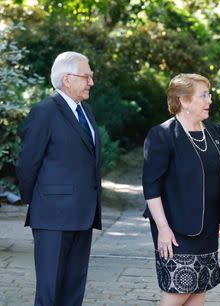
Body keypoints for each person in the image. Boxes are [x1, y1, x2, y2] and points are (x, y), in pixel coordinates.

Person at [142, 73, 220, 306]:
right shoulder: (162, 135)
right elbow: (151, 187)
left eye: (209, 94)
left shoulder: (213, 133)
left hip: (207, 229)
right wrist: (163, 229)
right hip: (175, 230)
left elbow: (217, 177)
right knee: (177, 293)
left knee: (199, 291)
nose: (209, 100)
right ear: (184, 101)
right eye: (203, 95)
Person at [16, 51, 101, 305]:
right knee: (50, 292)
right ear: (67, 79)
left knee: (73, 291)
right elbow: (27, 163)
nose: (91, 82)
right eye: (86, 76)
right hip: (52, 216)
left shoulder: (86, 111)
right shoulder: (44, 111)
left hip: (83, 214)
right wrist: (38, 202)